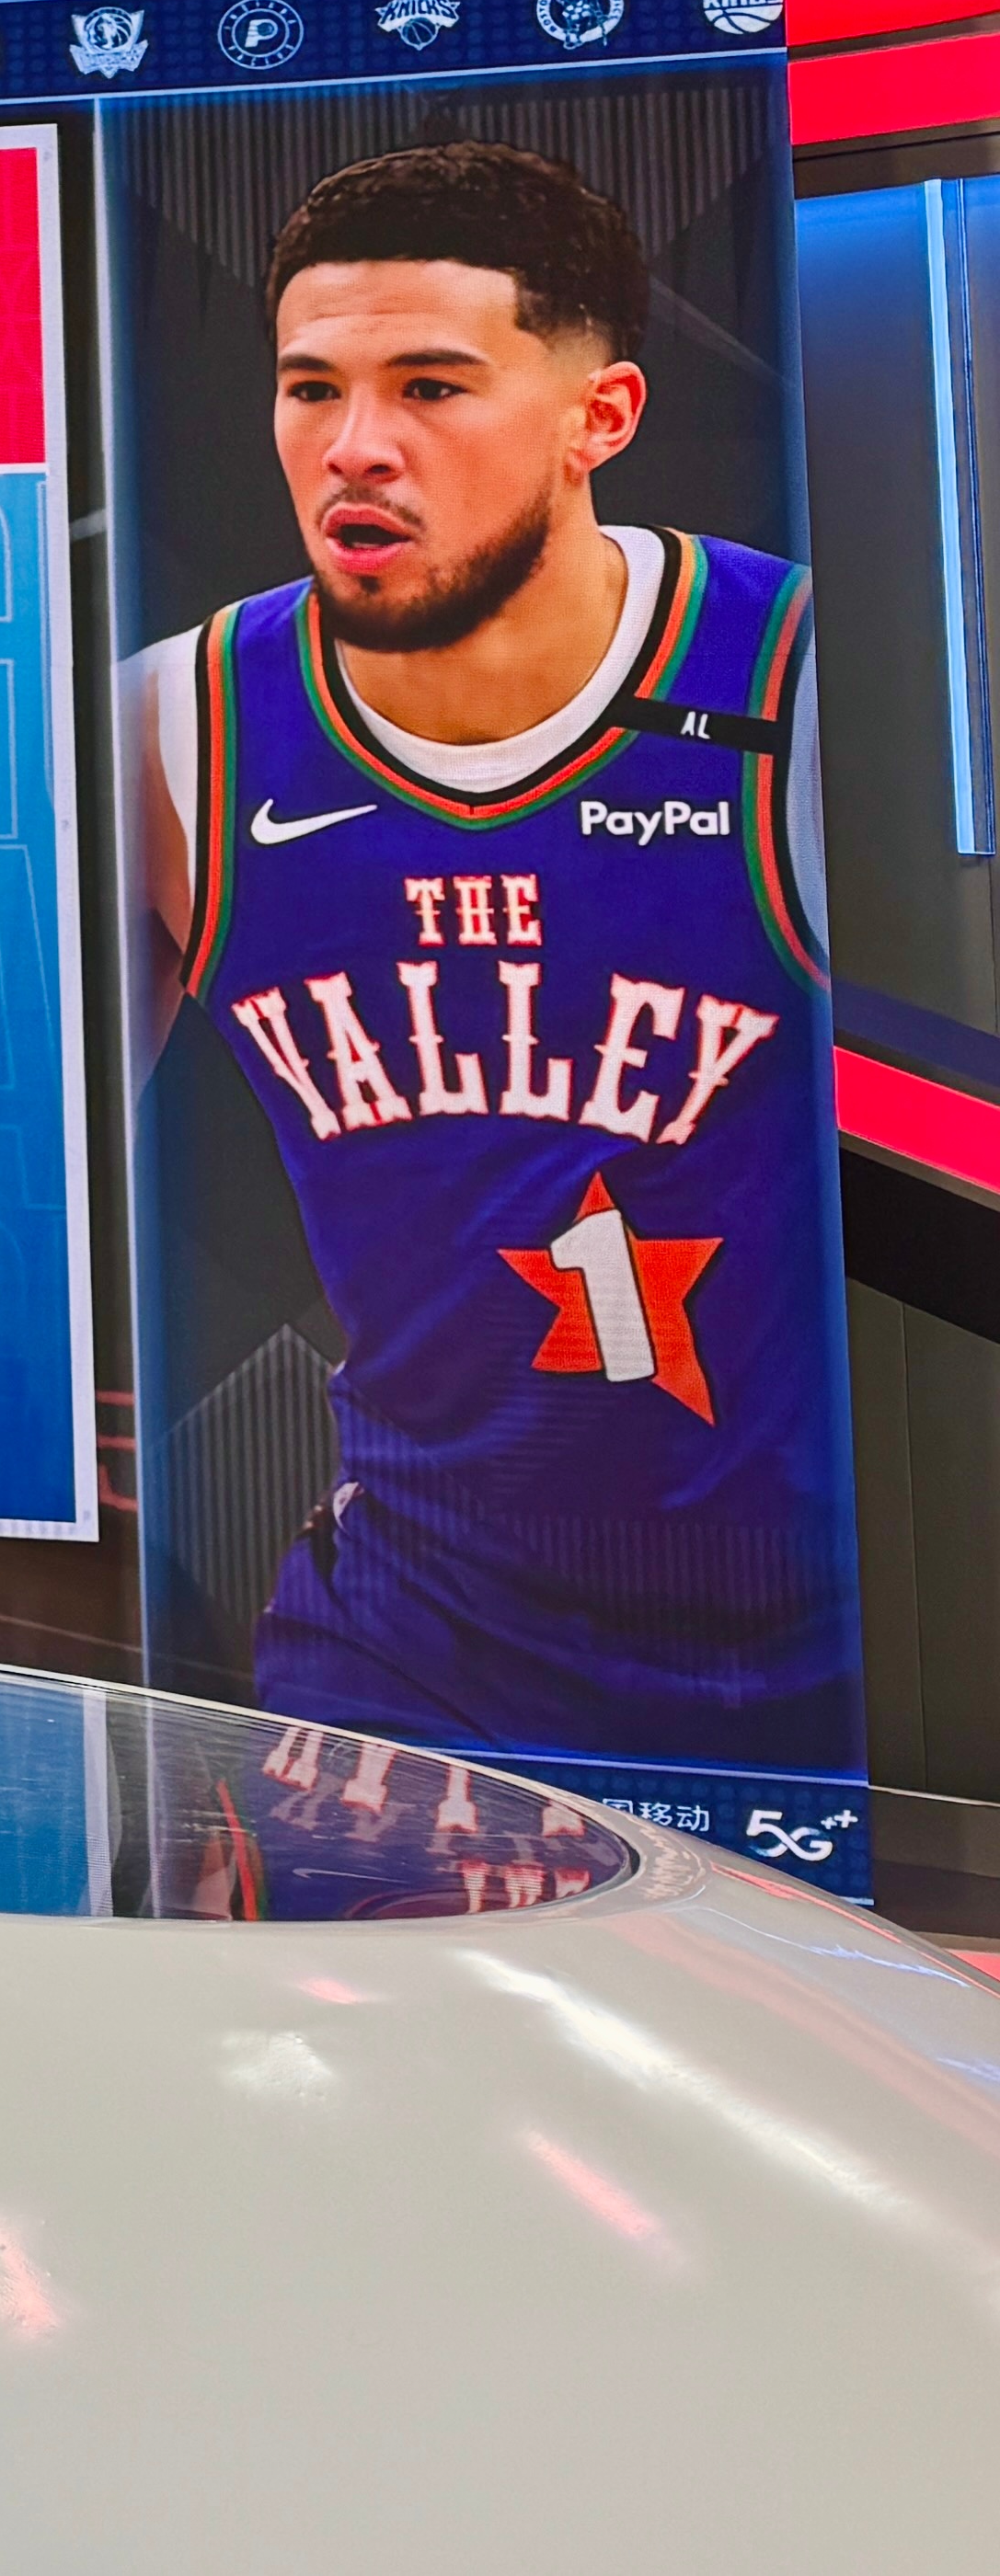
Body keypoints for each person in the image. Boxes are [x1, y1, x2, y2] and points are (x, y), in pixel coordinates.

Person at [123, 138, 855, 1769]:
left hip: (831, 1669)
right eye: (310, 389)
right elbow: (12, 1208)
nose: (354, 447)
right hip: (411, 1652)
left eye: (432, 387)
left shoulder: (800, 683)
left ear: (601, 416)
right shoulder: (177, 727)